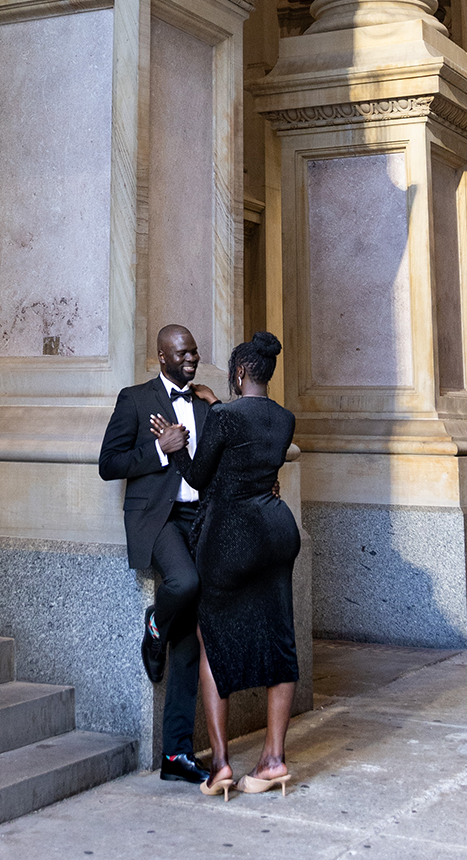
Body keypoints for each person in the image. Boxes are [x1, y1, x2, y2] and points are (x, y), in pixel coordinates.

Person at [151, 329, 299, 800]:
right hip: (278, 531)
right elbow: (248, 441)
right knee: (280, 638)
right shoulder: (285, 418)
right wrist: (217, 406)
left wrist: (175, 448)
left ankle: (220, 766)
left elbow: (199, 475)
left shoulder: (226, 417)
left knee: (212, 639)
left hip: (231, 537)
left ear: (237, 375)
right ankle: (273, 759)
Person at [97, 323, 219, 785]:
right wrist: (160, 449)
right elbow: (109, 464)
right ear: (162, 357)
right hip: (160, 518)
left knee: (188, 641)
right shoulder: (135, 399)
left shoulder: (203, 403)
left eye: (194, 352)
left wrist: (217, 406)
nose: (191, 359)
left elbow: (222, 456)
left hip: (199, 519)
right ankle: (154, 622)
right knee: (185, 582)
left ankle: (176, 755)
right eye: (182, 353)